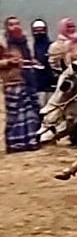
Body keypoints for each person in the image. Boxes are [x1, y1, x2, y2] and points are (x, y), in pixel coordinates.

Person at [1, 16, 42, 153]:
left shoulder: (25, 41)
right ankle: (15, 143)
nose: (15, 27)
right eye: (11, 24)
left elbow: (28, 58)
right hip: (12, 81)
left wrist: (33, 62)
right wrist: (8, 63)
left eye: (17, 24)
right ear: (7, 27)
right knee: (15, 115)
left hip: (28, 79)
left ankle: (31, 140)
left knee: (30, 112)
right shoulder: (3, 43)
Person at [29, 19, 54, 107]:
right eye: (36, 30)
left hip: (51, 85)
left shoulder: (52, 46)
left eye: (41, 30)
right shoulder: (30, 46)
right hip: (35, 85)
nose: (39, 32)